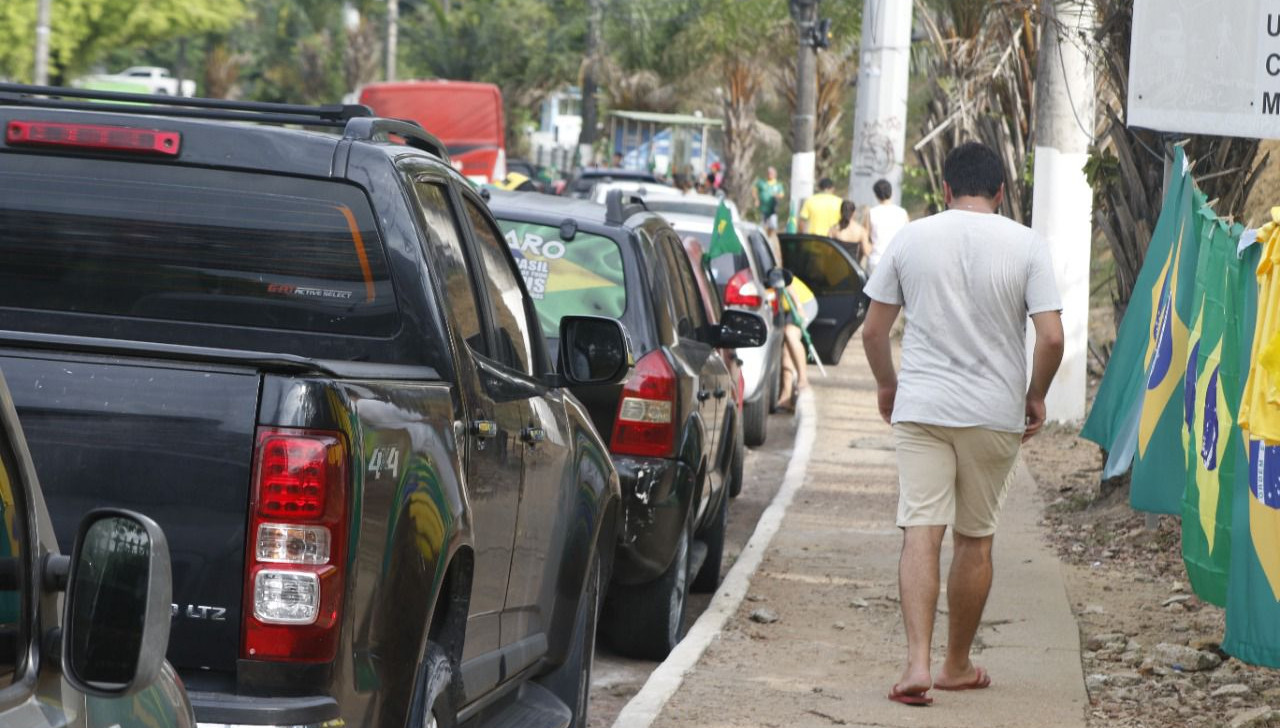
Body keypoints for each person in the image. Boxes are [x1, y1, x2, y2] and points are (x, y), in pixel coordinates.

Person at [860, 141, 1064, 706]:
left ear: (945, 189)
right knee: (975, 540)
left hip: (923, 407)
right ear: (1000, 192)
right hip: (995, 412)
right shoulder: (1026, 244)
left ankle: (916, 664)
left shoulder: (911, 237)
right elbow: (1051, 337)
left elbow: (874, 333)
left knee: (921, 531)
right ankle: (955, 664)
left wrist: (887, 384)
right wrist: (1036, 395)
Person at [865, 178, 910, 271]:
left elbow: (865, 237)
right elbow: (908, 237)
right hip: (897, 262)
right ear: (891, 192)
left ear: (876, 195)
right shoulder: (902, 213)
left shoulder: (871, 213)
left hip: (876, 261)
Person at [828, 199, 870, 263]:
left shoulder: (833, 229)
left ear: (840, 212)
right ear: (854, 213)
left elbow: (828, 251)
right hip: (851, 267)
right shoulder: (860, 231)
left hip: (835, 266)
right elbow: (866, 251)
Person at [752, 166, 786, 234]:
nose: (770, 174)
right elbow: (754, 189)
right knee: (760, 226)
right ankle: (761, 236)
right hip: (762, 208)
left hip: (772, 209)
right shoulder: (762, 182)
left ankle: (768, 236)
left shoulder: (778, 185)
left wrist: (776, 196)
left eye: (771, 173)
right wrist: (756, 199)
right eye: (769, 173)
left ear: (775, 175)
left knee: (773, 225)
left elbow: (782, 194)